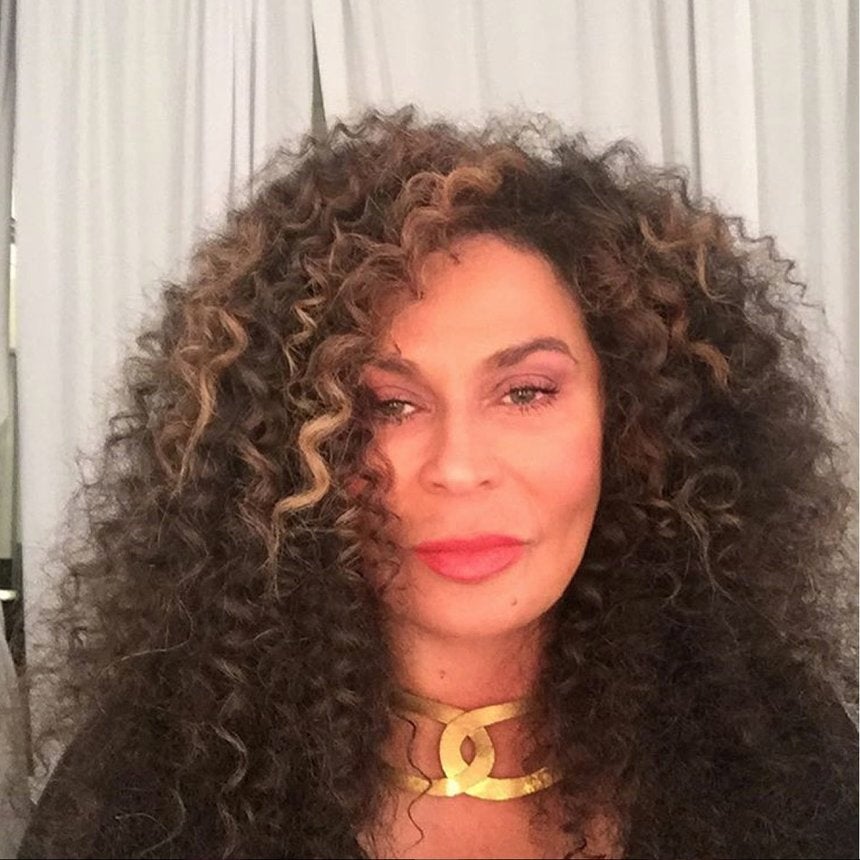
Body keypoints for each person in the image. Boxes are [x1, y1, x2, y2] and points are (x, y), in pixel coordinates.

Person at [15, 107, 858, 859]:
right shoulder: (156, 785)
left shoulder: (777, 753)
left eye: (526, 392)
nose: (457, 468)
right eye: (387, 405)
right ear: (280, 452)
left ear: (629, 421)